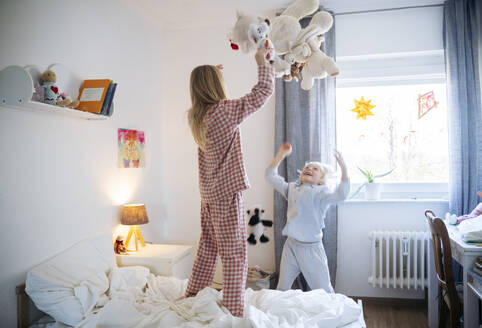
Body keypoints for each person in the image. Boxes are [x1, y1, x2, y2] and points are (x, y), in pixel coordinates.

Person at [184, 48, 274, 317]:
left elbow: (212, 98)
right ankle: (234, 308)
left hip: (209, 193)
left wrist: (215, 74)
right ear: (216, 86)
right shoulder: (224, 111)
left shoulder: (196, 116)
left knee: (209, 247)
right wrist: (261, 61)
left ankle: (193, 293)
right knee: (234, 252)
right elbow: (263, 92)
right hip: (226, 193)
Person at [266, 142, 349, 293]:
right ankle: (277, 313)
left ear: (321, 180)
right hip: (291, 246)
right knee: (282, 289)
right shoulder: (292, 189)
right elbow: (270, 176)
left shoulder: (321, 194)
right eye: (307, 167)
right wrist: (280, 155)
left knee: (325, 291)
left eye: (315, 168)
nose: (309, 168)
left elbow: (342, 194)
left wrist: (344, 168)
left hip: (312, 249)